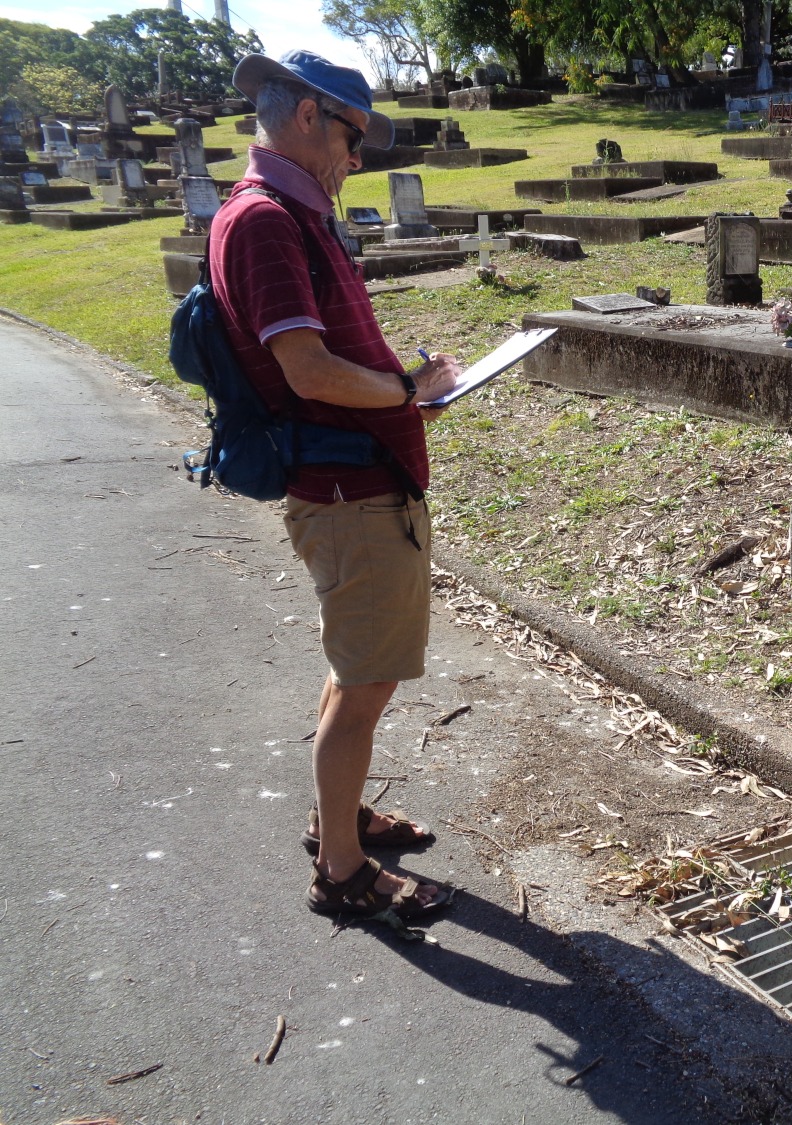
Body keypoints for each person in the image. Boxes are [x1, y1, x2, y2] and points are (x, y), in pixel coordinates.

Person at [214, 50, 462, 919]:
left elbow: (333, 362)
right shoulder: (267, 222)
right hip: (351, 494)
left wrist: (403, 388)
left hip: (359, 479)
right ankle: (343, 872)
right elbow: (309, 369)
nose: (358, 158)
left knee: (353, 672)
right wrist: (401, 391)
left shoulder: (294, 214)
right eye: (354, 137)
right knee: (363, 691)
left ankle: (339, 818)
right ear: (312, 115)